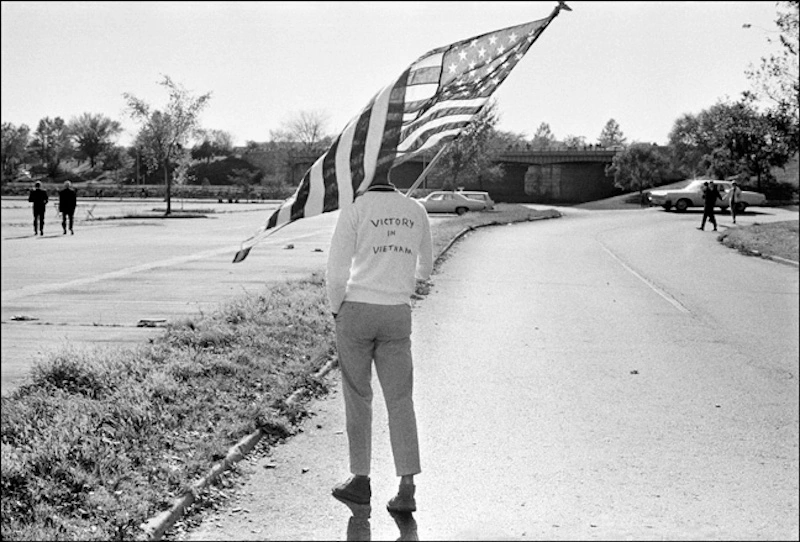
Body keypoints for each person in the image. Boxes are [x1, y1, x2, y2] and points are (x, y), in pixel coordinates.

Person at [326, 179, 434, 514]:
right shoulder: (416, 210)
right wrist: (406, 285)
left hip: (357, 308)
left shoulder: (356, 210)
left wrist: (335, 308)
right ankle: (406, 487)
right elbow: (425, 268)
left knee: (359, 397)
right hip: (396, 313)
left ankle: (360, 479)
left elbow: (336, 269)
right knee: (400, 399)